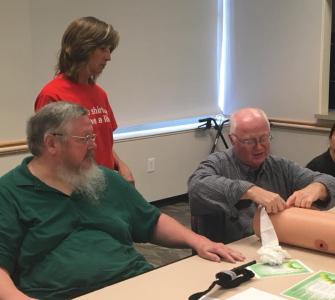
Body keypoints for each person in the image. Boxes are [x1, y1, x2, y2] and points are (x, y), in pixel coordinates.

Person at [0, 102, 245, 300]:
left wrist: (198, 241)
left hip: (135, 282)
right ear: (51, 143)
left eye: (93, 136)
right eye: (84, 138)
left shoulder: (104, 178)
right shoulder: (9, 192)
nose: (94, 145)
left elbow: (151, 220)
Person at [188, 108, 335, 244]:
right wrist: (251, 191)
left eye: (264, 138)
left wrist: (317, 188)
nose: (259, 147)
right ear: (232, 140)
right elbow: (196, 186)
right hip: (228, 254)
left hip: (274, 248)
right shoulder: (218, 163)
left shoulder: (279, 166)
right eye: (249, 141)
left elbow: (332, 183)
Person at [35, 16, 135, 184]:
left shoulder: (100, 94)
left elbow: (103, 145)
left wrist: (120, 165)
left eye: (110, 50)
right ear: (82, 49)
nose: (108, 57)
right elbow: (46, 156)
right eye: (103, 49)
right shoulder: (52, 95)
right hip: (74, 190)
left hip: (104, 184)